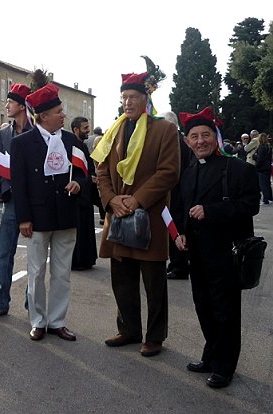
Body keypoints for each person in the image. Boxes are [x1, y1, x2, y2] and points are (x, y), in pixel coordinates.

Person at [91, 72, 179, 357]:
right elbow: (101, 170)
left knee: (154, 281)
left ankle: (155, 336)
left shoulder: (164, 129)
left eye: (133, 97)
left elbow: (169, 172)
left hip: (149, 215)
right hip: (117, 213)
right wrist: (111, 199)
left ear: (145, 99)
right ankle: (128, 329)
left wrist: (138, 200)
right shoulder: (113, 131)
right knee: (121, 277)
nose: (127, 102)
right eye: (123, 98)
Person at [176, 107, 259, 388]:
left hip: (226, 253)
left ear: (216, 137)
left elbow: (250, 206)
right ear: (187, 141)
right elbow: (183, 209)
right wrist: (180, 235)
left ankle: (225, 366)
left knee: (225, 310)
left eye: (206, 135)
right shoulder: (188, 172)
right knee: (203, 306)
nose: (200, 141)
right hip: (197, 253)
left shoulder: (239, 169)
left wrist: (211, 211)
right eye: (194, 136)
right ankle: (211, 354)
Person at [11, 82, 84, 341]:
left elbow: (85, 171)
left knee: (62, 273)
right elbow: (18, 184)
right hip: (37, 218)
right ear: (43, 116)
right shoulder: (22, 143)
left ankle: (57, 321)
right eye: (58, 111)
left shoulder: (70, 139)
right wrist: (24, 218)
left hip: (65, 214)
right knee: (37, 272)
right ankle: (38, 321)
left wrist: (79, 183)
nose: (63, 115)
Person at [0, 83, 32, 320]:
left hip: (34, 201)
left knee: (35, 256)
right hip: (10, 201)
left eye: (10, 102)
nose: (6, 106)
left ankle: (33, 305)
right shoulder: (3, 134)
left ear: (21, 106)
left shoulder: (37, 130)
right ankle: (0, 302)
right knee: (4, 254)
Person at [159, 111, 191, 280]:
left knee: (175, 229)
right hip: (178, 191)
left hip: (176, 192)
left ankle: (179, 266)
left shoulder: (176, 142)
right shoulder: (179, 140)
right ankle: (176, 264)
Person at [70, 116, 97, 271]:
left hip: (86, 194)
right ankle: (78, 260)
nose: (88, 131)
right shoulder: (71, 146)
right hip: (76, 196)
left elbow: (88, 168)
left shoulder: (84, 146)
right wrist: (87, 179)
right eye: (85, 128)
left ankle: (87, 259)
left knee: (87, 228)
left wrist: (92, 177)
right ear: (76, 129)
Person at [254, 132, 273, 204]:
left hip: (261, 168)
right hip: (268, 167)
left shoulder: (261, 147)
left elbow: (260, 159)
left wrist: (255, 158)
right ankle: (270, 198)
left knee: (262, 184)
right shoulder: (269, 147)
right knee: (267, 183)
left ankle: (265, 199)